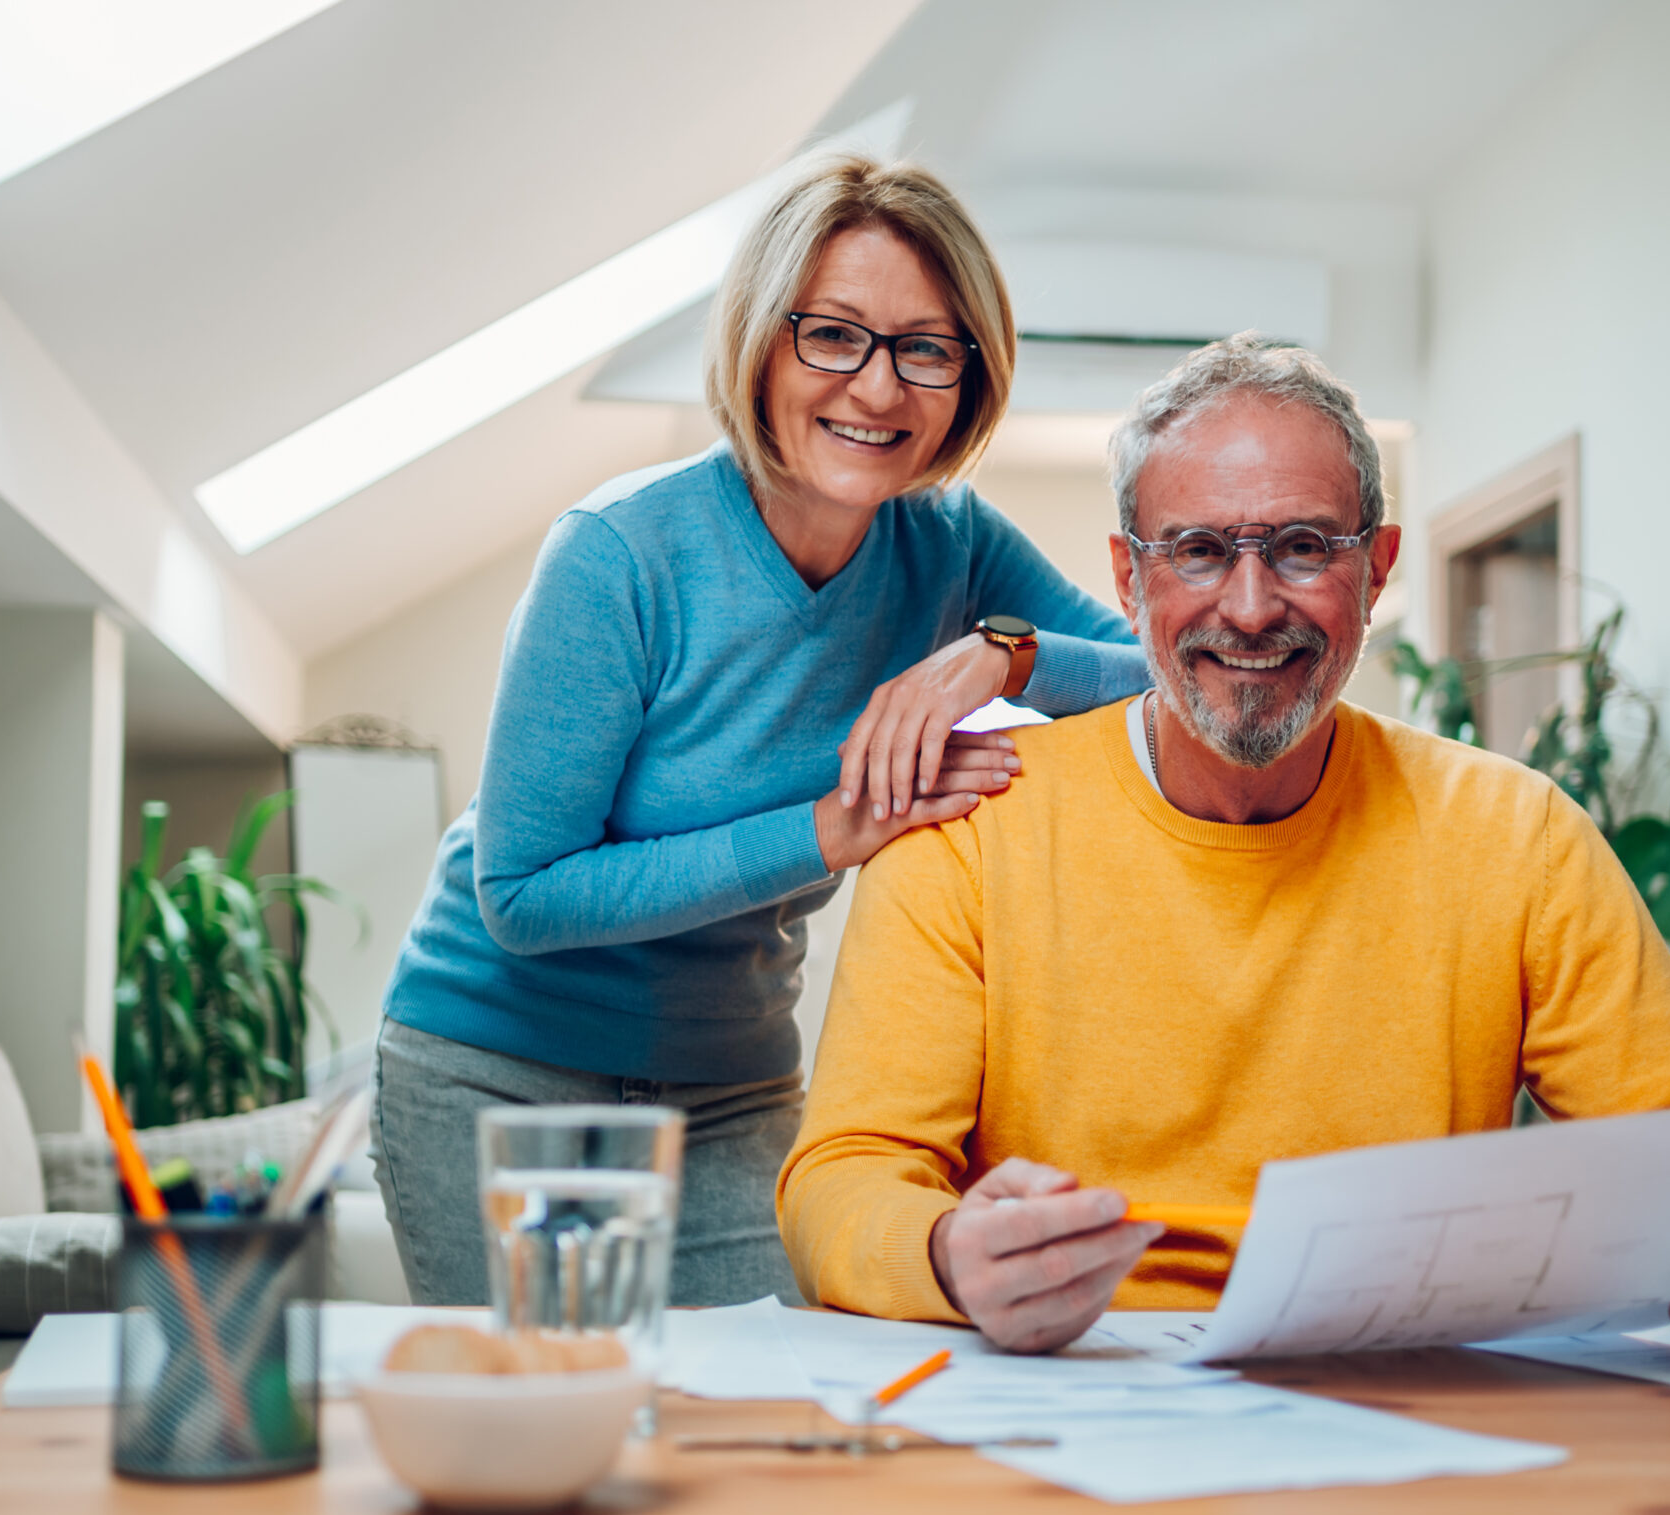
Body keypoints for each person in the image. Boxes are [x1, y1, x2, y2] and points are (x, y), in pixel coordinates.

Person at [777, 334, 1670, 1365]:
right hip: (1063, 1393)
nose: (1251, 606)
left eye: (1304, 547)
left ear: (1378, 565)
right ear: (1127, 578)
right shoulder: (973, 828)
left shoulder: (1517, 834)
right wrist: (944, 1254)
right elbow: (845, 1176)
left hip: (1406, 1400)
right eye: (1199, 551)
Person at [373, 155, 1150, 1307]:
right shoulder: (618, 552)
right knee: (550, 1436)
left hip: (731, 1089)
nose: (878, 390)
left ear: (967, 376)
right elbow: (524, 895)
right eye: (832, 334)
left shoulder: (950, 544)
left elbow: (1168, 675)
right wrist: (828, 832)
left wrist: (1009, 649)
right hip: (495, 1075)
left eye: (926, 348)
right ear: (760, 341)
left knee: (791, 1401)